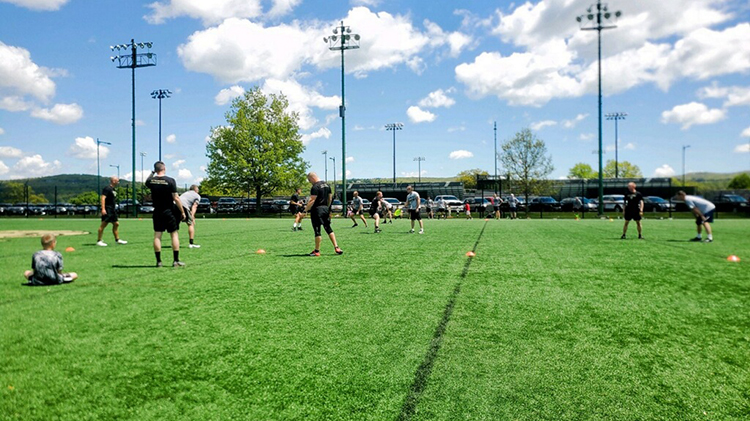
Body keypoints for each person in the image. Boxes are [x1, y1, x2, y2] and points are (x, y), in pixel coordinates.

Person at [146, 161, 186, 267]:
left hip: (157, 211)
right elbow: (176, 198)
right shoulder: (170, 180)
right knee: (174, 234)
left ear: (155, 169)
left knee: (157, 235)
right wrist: (182, 211)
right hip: (169, 211)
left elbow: (147, 181)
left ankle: (159, 262)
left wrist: (152, 173)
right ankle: (175, 260)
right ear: (164, 168)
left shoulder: (151, 180)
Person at [303, 172, 343, 256]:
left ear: (312, 178)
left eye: (309, 180)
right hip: (325, 209)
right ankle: (337, 247)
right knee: (328, 228)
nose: (310, 182)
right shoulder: (327, 185)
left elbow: (312, 200)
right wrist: (328, 209)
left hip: (317, 210)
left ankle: (317, 251)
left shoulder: (315, 187)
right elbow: (330, 198)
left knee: (317, 230)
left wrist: (305, 210)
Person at [96, 176, 127, 246]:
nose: (118, 182)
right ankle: (99, 241)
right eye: (117, 181)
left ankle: (117, 240)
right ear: (113, 181)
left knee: (116, 224)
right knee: (103, 224)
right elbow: (103, 198)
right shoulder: (107, 188)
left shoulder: (113, 189)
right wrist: (103, 209)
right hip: (108, 209)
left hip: (112, 210)